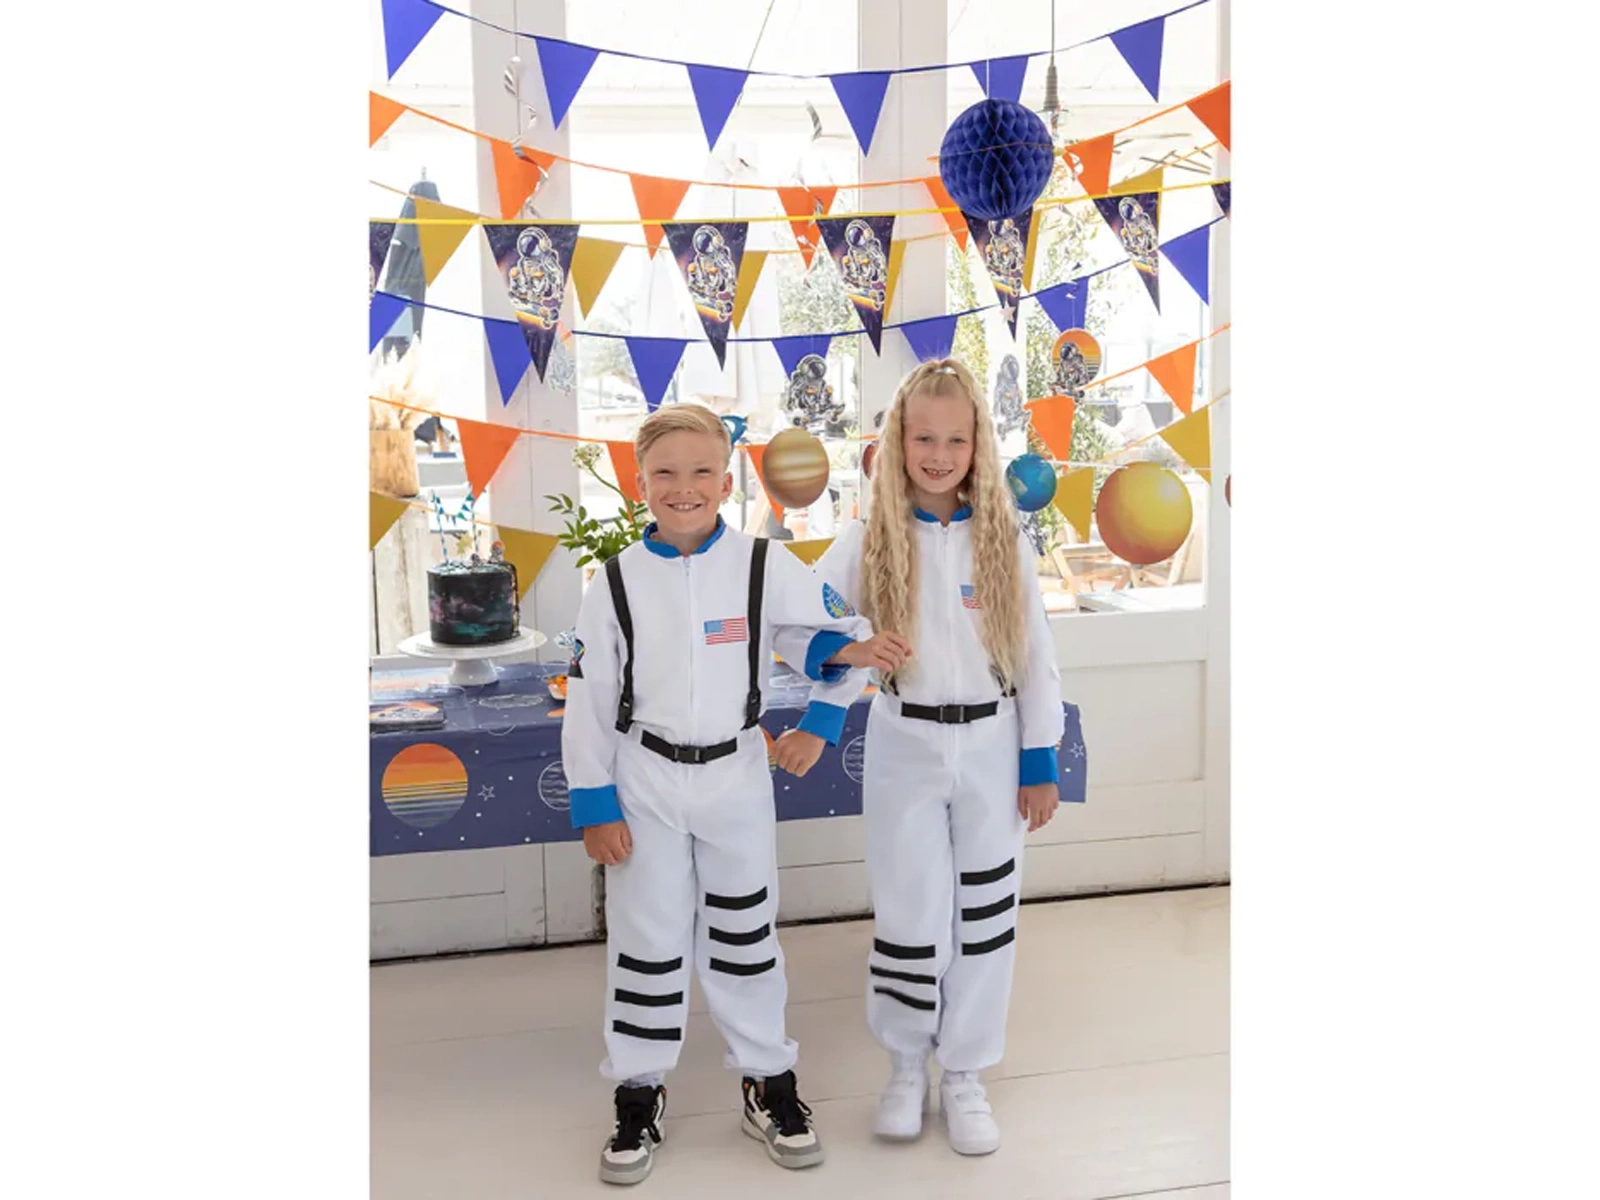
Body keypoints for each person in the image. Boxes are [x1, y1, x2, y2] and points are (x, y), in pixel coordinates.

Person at [561, 404, 904, 1186]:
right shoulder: (613, 582)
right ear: (639, 483)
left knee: (746, 936)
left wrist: (822, 718)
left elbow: (834, 636)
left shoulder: (762, 565)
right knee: (647, 941)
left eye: (701, 472)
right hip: (646, 781)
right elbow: (589, 698)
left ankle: (767, 1080)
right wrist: (594, 803)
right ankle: (638, 1089)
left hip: (736, 779)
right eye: (665, 473)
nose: (683, 487)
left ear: (726, 481)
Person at [773, 358, 1065, 1157]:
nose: (939, 455)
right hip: (904, 743)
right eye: (923, 438)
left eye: (955, 440)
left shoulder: (1004, 539)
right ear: (897, 443)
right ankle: (906, 1063)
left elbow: (1038, 655)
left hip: (992, 747)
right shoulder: (866, 539)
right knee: (908, 912)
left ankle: (964, 1072)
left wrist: (1039, 759)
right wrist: (839, 675)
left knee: (986, 915)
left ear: (979, 446)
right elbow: (796, 628)